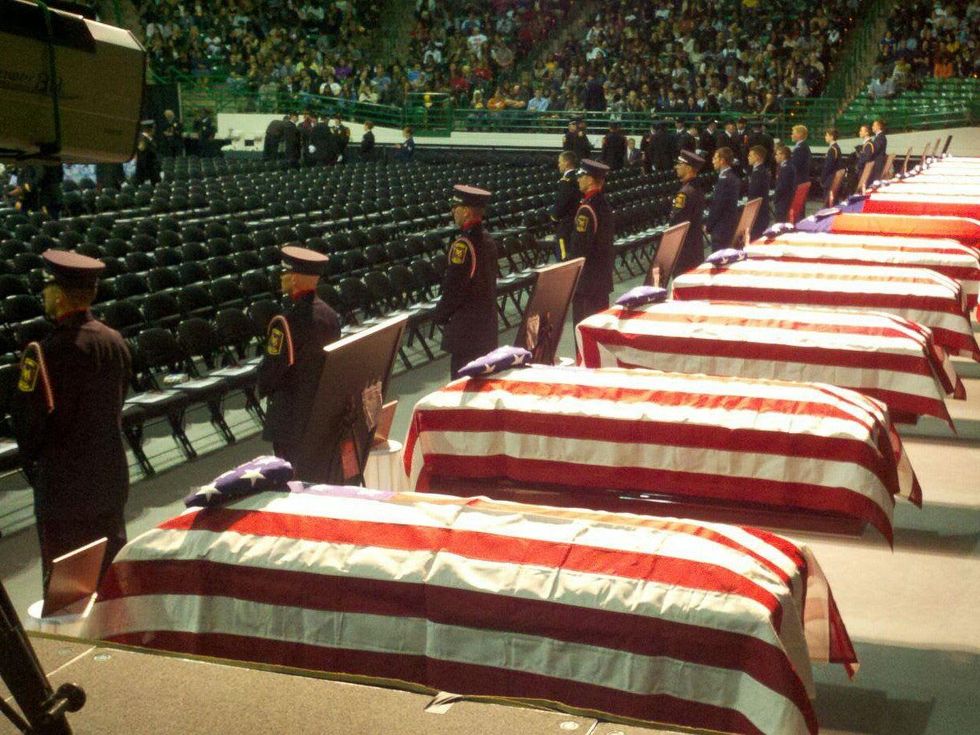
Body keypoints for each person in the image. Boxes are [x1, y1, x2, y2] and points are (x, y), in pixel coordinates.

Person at [12, 250, 131, 588]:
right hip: (109, 475)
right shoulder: (114, 340)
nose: (43, 295)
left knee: (67, 589)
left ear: (60, 295)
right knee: (110, 579)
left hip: (66, 488)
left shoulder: (46, 352)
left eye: (47, 288)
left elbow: (28, 423)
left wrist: (36, 462)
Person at [257, 245, 341, 465]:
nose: (281, 278)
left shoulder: (286, 322)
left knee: (295, 480)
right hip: (321, 409)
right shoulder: (330, 315)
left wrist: (262, 387)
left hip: (291, 418)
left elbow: (271, 373)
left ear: (293, 278)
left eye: (284, 274)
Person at [433, 185, 499, 378]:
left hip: (467, 332)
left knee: (463, 389)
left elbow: (453, 290)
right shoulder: (487, 240)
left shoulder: (463, 246)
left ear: (467, 211)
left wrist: (439, 315)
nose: (453, 211)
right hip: (486, 327)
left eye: (457, 207)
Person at [569, 159, 615, 326]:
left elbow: (579, 250)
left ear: (590, 179)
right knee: (599, 331)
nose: (578, 179)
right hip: (602, 279)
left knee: (584, 330)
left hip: (587, 283)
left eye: (582, 176)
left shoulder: (586, 210)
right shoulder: (604, 204)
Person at [669, 150, 707, 277]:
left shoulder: (685, 192)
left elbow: (676, 222)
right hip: (695, 245)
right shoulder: (697, 187)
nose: (676, 167)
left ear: (689, 168)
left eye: (680, 164)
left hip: (685, 249)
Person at [705, 146, 741, 251]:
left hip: (721, 227)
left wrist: (709, 226)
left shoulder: (725, 179)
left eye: (715, 158)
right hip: (729, 223)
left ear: (722, 161)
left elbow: (718, 206)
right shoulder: (732, 176)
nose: (712, 161)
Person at [550, 150, 579, 261]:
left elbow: (562, 202)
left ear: (566, 163)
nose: (558, 165)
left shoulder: (566, 181)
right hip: (575, 219)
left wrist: (554, 217)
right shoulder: (578, 176)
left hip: (566, 222)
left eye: (560, 162)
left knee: (564, 255)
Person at [745, 144, 771, 240]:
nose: (748, 157)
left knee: (755, 238)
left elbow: (754, 193)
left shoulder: (758, 172)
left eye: (750, 155)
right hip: (762, 211)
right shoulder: (760, 170)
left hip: (758, 213)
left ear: (757, 157)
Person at [772, 143, 796, 223]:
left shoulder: (785, 168)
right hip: (786, 199)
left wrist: (775, 198)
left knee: (779, 222)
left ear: (783, 155)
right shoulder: (787, 165)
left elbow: (782, 186)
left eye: (777, 154)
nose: (775, 156)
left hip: (783, 201)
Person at [134, 119, 161, 185]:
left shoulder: (149, 139)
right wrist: (147, 178)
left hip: (153, 175)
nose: (155, 130)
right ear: (150, 129)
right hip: (147, 177)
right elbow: (143, 160)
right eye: (154, 128)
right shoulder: (143, 140)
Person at [821, 128, 843, 205]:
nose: (825, 137)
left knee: (828, 203)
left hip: (830, 180)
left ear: (832, 137)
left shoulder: (832, 149)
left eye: (827, 135)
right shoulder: (836, 147)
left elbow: (828, 166)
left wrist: (823, 179)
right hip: (833, 178)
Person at [854, 124, 874, 188]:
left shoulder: (868, 145)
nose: (859, 132)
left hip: (864, 173)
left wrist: (858, 166)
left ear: (867, 133)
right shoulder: (867, 144)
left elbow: (866, 159)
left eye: (861, 131)